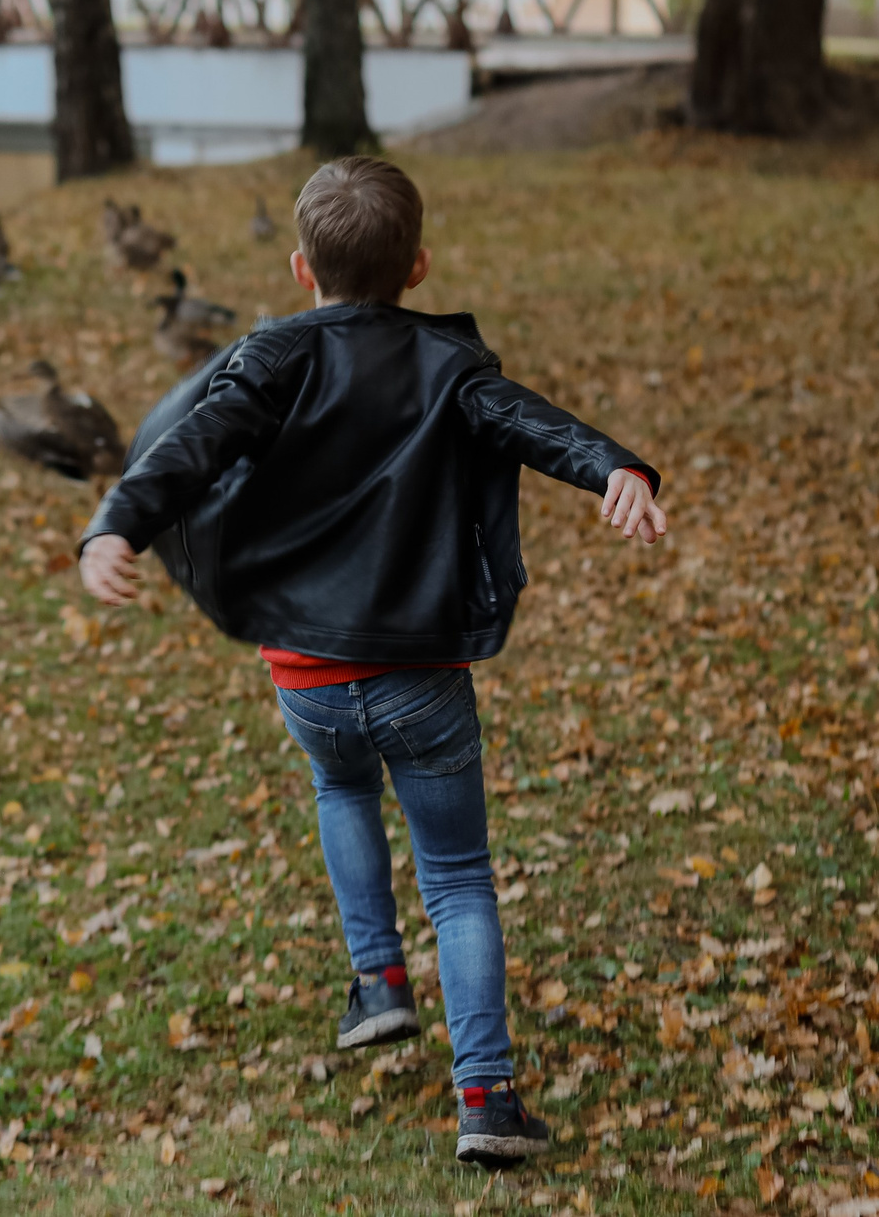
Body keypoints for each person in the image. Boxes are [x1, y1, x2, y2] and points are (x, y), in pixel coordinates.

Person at [77, 156, 666, 1167]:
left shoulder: (271, 360)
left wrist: (114, 525)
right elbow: (533, 423)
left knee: (340, 789)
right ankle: (486, 1099)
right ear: (419, 266)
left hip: (305, 674)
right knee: (459, 878)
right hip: (420, 676)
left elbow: (190, 449)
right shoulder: (450, 368)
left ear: (301, 269)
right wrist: (616, 465)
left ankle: (379, 982)